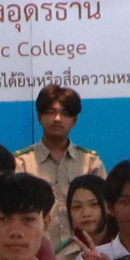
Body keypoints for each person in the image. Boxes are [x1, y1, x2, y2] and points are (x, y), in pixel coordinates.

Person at [23, 83, 105, 214]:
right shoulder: (22, 163)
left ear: (74, 121)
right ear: (40, 117)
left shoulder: (90, 162)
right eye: (51, 112)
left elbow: (103, 209)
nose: (57, 119)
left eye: (65, 113)